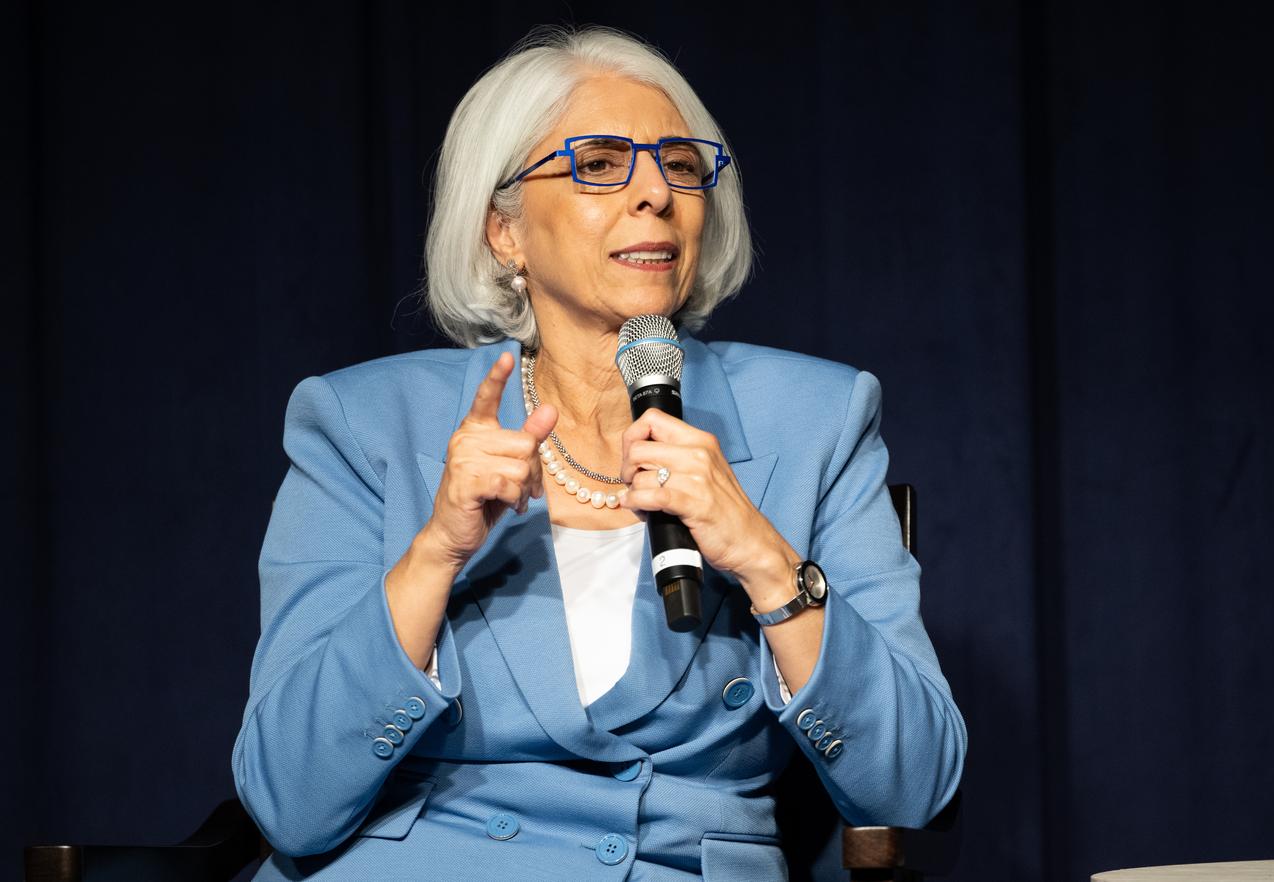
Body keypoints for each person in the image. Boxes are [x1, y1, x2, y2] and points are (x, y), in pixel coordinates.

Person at [232, 24, 966, 881]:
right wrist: (433, 556)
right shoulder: (363, 423)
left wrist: (769, 564)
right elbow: (286, 796)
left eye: (682, 165)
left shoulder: (819, 418)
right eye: (600, 162)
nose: (656, 193)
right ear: (503, 231)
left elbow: (915, 786)